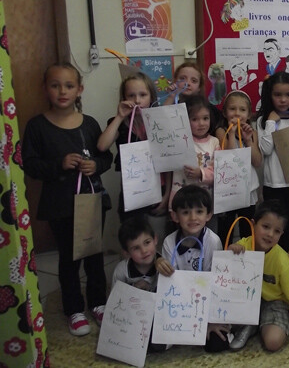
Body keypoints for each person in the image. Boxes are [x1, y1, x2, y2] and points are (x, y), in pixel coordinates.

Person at [22, 62, 112, 336]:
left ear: (79, 90)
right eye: (55, 85)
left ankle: (98, 303)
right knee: (69, 259)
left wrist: (95, 165)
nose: (62, 91)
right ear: (45, 89)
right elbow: (29, 165)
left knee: (94, 255)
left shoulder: (89, 123)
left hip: (92, 200)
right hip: (60, 204)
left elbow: (106, 155)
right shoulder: (37, 126)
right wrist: (58, 164)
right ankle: (74, 308)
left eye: (69, 86)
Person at [227, 201, 289, 351]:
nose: (270, 234)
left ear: (281, 234)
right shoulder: (244, 245)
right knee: (224, 322)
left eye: (277, 231)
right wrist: (232, 249)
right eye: (265, 227)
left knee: (273, 342)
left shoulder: (282, 261)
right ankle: (251, 322)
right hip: (247, 298)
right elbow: (229, 264)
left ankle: (255, 323)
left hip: (274, 301)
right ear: (253, 224)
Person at [155, 185, 229, 351]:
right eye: (186, 212)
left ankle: (201, 329)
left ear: (209, 215)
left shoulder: (213, 241)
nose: (193, 217)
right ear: (175, 216)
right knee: (155, 343)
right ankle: (181, 332)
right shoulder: (169, 242)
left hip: (207, 302)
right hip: (181, 304)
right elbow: (170, 286)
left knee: (217, 344)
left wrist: (210, 321)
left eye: (199, 212)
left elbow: (216, 285)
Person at [97, 72, 168, 222]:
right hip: (132, 193)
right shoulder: (120, 124)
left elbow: (169, 162)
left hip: (158, 189)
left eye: (143, 95)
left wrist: (167, 194)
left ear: (152, 97)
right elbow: (102, 146)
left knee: (157, 237)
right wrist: (120, 116)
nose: (137, 100)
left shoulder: (160, 123)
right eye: (131, 95)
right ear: (124, 98)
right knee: (133, 235)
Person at [257, 71, 289, 251]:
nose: (283, 100)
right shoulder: (265, 120)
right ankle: (273, 261)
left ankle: (287, 264)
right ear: (270, 95)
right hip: (274, 184)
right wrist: (271, 122)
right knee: (272, 227)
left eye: (288, 95)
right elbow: (266, 150)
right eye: (278, 95)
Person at [112, 216, 168, 352]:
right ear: (126, 253)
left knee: (158, 343)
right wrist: (134, 291)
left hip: (159, 316)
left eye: (147, 242)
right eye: (136, 248)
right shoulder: (121, 271)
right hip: (132, 318)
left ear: (155, 240)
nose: (144, 251)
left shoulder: (165, 265)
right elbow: (115, 304)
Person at [215, 90, 262, 245]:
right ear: (224, 112)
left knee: (247, 230)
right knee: (225, 229)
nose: (237, 113)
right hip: (229, 189)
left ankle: (246, 263)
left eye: (242, 110)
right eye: (232, 109)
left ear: (249, 115)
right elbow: (228, 159)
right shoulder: (221, 131)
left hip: (248, 190)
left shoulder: (252, 132)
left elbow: (257, 162)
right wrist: (232, 134)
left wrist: (248, 140)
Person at [169, 95, 219, 216]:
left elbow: (219, 171)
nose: (201, 123)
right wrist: (172, 207)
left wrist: (201, 173)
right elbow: (177, 179)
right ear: (186, 120)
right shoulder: (181, 142)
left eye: (205, 118)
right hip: (184, 204)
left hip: (207, 204)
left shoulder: (214, 142)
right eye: (195, 119)